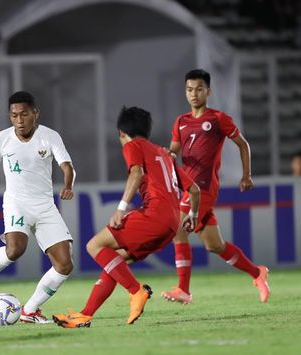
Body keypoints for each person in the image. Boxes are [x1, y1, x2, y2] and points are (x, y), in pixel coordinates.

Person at [52, 106, 200, 328]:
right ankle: (85, 315)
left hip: (154, 216)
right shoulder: (163, 153)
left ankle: (136, 291)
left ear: (122, 133)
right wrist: (193, 215)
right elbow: (195, 189)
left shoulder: (133, 145)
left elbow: (137, 173)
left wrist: (121, 208)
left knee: (94, 245)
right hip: (171, 224)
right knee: (115, 263)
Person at [0, 91, 75, 324]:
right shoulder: (2, 139)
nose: (19, 120)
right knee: (14, 250)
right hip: (16, 204)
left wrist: (68, 185)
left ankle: (29, 311)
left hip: (45, 206)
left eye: (24, 114)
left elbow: (67, 166)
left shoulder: (49, 136)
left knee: (64, 264)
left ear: (35, 113)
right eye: (14, 115)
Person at [161, 69, 270, 305]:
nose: (194, 94)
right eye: (190, 89)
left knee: (178, 231)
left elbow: (243, 145)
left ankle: (183, 290)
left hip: (204, 188)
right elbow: (174, 150)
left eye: (199, 89)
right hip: (188, 188)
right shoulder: (181, 121)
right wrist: (167, 155)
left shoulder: (218, 119)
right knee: (214, 245)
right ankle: (257, 273)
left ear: (208, 91)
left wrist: (246, 176)